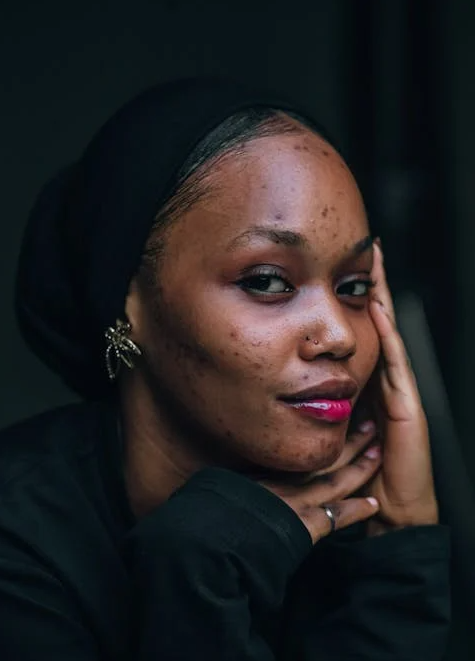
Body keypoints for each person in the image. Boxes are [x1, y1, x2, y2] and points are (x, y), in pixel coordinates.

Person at [0, 77, 449, 660]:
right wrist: (195, 579)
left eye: (355, 286)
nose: (340, 335)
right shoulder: (19, 548)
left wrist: (400, 543)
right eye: (267, 281)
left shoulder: (350, 530)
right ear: (127, 302)